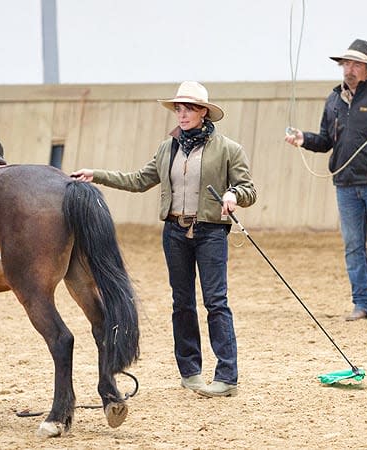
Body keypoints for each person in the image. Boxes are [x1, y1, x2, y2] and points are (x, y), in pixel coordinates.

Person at [71, 81, 256, 397]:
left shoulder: (228, 149)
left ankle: (227, 376)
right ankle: (190, 371)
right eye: (179, 109)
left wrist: (233, 194)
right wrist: (96, 174)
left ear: (203, 112)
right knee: (181, 303)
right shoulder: (166, 148)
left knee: (216, 302)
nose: (182, 115)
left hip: (210, 233)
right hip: (174, 233)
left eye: (189, 109)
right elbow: (139, 180)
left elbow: (249, 189)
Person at [284, 39, 367, 323]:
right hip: (345, 183)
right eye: (346, 63)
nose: (349, 69)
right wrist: (303, 139)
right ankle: (363, 303)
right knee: (353, 246)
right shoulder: (333, 100)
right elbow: (325, 141)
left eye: (356, 64)